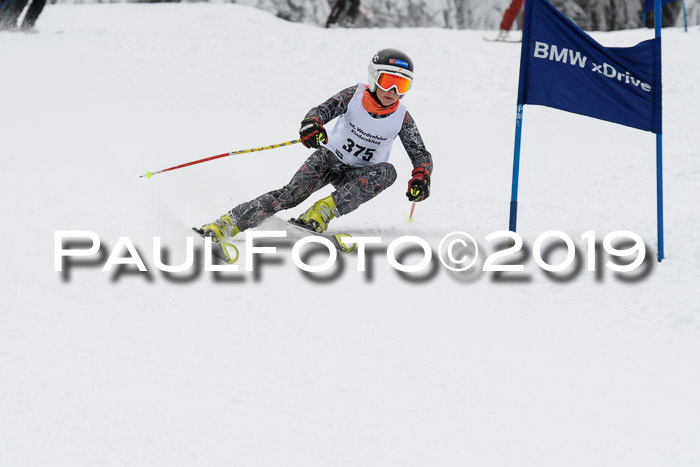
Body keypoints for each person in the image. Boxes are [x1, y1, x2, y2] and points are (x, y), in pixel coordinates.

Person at [197, 48, 433, 242]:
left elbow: (420, 153)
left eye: (401, 86)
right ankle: (225, 224)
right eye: (388, 81)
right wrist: (312, 125)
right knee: (290, 196)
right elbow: (321, 111)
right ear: (374, 77)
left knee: (387, 172)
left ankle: (320, 213)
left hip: (358, 176)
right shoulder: (353, 96)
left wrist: (422, 176)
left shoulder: (401, 117)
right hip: (328, 160)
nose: (393, 92)